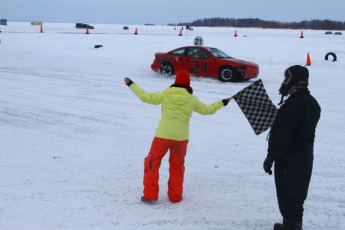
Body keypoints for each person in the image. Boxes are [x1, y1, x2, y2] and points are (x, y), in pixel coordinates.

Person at [124, 70, 230, 203]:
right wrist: (221, 102)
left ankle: (150, 194)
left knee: (151, 163)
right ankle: (175, 196)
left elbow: (146, 97)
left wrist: (132, 84)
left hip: (162, 136)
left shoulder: (166, 94)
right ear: (188, 84)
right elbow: (207, 110)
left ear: (175, 82)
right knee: (177, 166)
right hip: (181, 139)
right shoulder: (192, 99)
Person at [263, 65, 321, 230]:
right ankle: (295, 224)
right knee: (298, 192)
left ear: (292, 81)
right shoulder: (312, 103)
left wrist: (270, 157)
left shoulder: (293, 106)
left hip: (289, 157)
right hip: (305, 155)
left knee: (287, 192)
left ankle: (290, 225)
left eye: (286, 79)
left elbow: (282, 137)